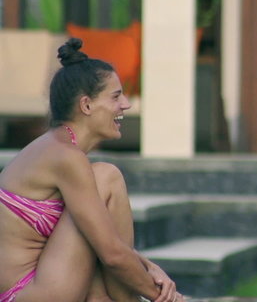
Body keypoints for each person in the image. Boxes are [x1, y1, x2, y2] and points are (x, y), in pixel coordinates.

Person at [0, 38, 185, 302]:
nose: (125, 105)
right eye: (116, 96)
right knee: (107, 177)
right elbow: (112, 254)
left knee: (102, 291)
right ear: (86, 105)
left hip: (40, 285)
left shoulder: (55, 147)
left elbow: (101, 238)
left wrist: (146, 265)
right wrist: (166, 297)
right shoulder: (65, 157)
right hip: (29, 293)